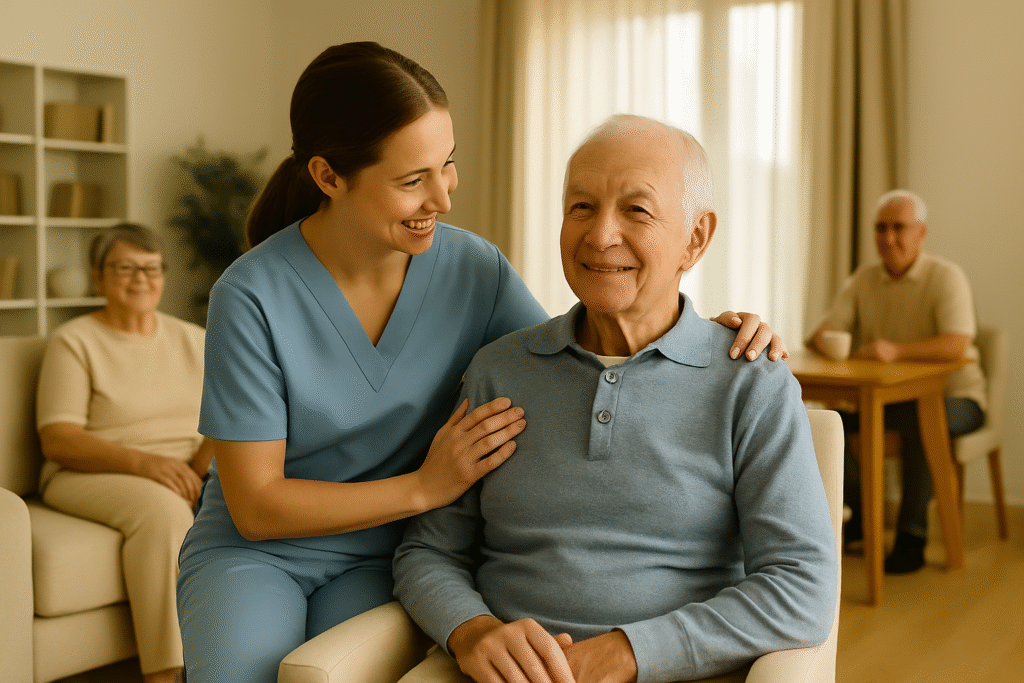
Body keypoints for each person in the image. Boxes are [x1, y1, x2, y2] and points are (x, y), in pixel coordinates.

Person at [175, 43, 787, 683]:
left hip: (383, 555)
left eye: (448, 165)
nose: (441, 197)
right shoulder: (249, 295)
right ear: (328, 177)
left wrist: (700, 332)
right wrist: (423, 488)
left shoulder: (473, 270)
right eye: (412, 180)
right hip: (257, 549)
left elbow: (574, 357)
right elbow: (257, 505)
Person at [392, 114, 836, 683]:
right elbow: (428, 552)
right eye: (581, 206)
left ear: (695, 238)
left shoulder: (750, 381)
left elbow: (801, 585)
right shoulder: (499, 371)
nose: (600, 236)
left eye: (637, 210)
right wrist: (473, 631)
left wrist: (628, 653)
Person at [36, 223, 211, 683]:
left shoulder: (195, 338)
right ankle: (168, 675)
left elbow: (233, 414)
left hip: (188, 468)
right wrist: (148, 465)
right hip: (94, 469)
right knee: (164, 512)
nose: (140, 279)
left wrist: (203, 466)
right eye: (125, 268)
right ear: (98, 277)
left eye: (152, 268)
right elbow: (59, 438)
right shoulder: (74, 341)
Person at [808, 189, 986, 573]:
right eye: (880, 228)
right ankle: (860, 516)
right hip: (889, 401)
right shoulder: (863, 280)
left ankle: (911, 535)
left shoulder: (945, 277)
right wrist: (826, 338)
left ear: (921, 233)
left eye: (899, 228)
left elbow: (958, 343)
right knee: (828, 425)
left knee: (919, 418)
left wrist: (896, 351)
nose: (888, 238)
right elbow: (823, 331)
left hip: (960, 400)